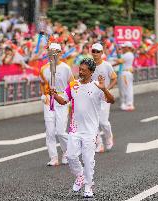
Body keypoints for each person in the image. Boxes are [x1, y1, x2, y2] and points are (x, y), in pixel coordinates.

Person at [50, 58, 115, 198]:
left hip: (90, 131)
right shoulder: (73, 85)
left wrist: (104, 89)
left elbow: (111, 100)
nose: (80, 72)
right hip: (75, 129)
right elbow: (63, 101)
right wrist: (54, 95)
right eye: (80, 69)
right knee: (71, 156)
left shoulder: (98, 86)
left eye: (84, 70)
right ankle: (80, 176)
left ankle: (88, 186)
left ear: (91, 72)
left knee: (88, 159)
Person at [40, 43, 74, 166]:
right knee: (50, 131)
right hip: (49, 101)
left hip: (61, 99)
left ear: (60, 53)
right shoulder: (44, 68)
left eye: (55, 52)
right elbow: (42, 83)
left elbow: (72, 85)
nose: (52, 54)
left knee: (60, 131)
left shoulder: (66, 68)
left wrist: (69, 99)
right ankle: (53, 157)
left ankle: (66, 152)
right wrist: (44, 95)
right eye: (50, 52)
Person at [91, 43, 117, 152]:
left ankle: (108, 137)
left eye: (98, 51)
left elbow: (114, 78)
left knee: (103, 122)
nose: (95, 53)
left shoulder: (106, 65)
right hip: (92, 97)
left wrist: (107, 89)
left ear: (102, 53)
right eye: (94, 51)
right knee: (93, 122)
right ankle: (99, 144)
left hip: (104, 97)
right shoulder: (89, 65)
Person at [113, 41, 135, 111]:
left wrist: (111, 63)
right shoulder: (127, 54)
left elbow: (119, 61)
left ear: (128, 48)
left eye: (124, 47)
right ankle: (128, 103)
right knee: (127, 88)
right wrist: (116, 49)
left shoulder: (128, 54)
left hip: (125, 74)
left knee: (124, 89)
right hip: (126, 73)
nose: (122, 48)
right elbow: (119, 57)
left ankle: (126, 104)